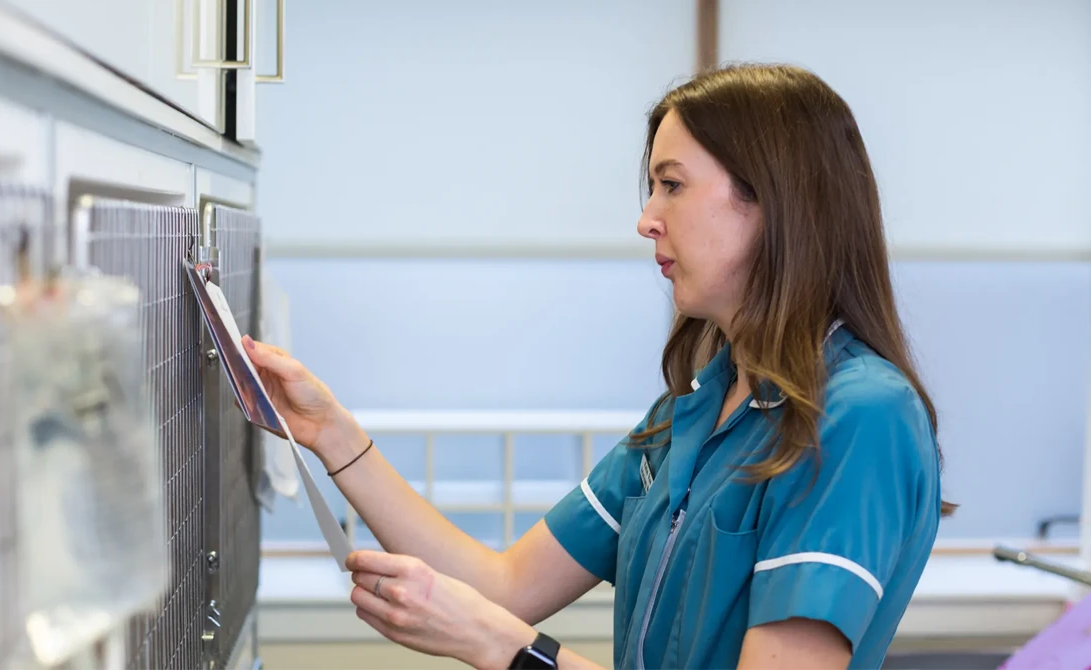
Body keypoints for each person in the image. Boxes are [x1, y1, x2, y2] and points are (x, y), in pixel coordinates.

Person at [243, 62, 952, 669]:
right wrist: (331, 432)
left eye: (671, 185)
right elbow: (504, 586)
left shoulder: (859, 415)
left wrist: (511, 650)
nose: (646, 218)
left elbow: (500, 622)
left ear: (772, 199)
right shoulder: (694, 411)